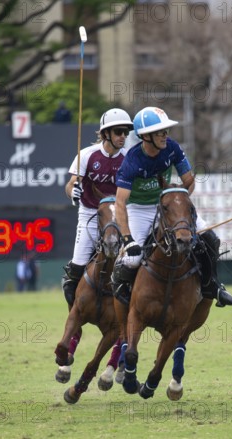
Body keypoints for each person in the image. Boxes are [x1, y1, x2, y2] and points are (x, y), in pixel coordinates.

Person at [111, 106, 232, 308]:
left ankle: (212, 286)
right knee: (133, 259)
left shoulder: (172, 148)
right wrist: (127, 240)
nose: (165, 135)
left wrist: (176, 201)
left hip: (166, 206)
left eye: (165, 131)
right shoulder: (132, 161)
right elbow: (120, 203)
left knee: (210, 239)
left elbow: (189, 182)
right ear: (146, 136)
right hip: (139, 210)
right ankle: (119, 285)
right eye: (160, 132)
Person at [61, 108, 134, 304]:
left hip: (119, 216)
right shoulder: (86, 155)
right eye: (118, 131)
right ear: (105, 134)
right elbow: (70, 184)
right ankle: (74, 315)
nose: (123, 136)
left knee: (135, 264)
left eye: (126, 132)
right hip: (90, 214)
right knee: (77, 267)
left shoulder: (128, 158)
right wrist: (73, 191)